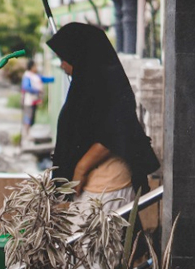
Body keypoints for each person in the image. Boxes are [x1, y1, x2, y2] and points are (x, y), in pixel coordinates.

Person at [46, 22, 160, 219]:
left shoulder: (106, 87)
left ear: (80, 56)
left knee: (90, 247)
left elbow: (113, 133)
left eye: (65, 58)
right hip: (93, 185)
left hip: (105, 185)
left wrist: (80, 169)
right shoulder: (86, 87)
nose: (62, 65)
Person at [20, 59, 44, 143]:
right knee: (28, 118)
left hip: (33, 100)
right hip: (28, 100)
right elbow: (25, 87)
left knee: (31, 118)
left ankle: (28, 134)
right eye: (35, 66)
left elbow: (43, 79)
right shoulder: (27, 76)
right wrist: (37, 90)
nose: (36, 68)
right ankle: (26, 135)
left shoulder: (34, 76)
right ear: (31, 67)